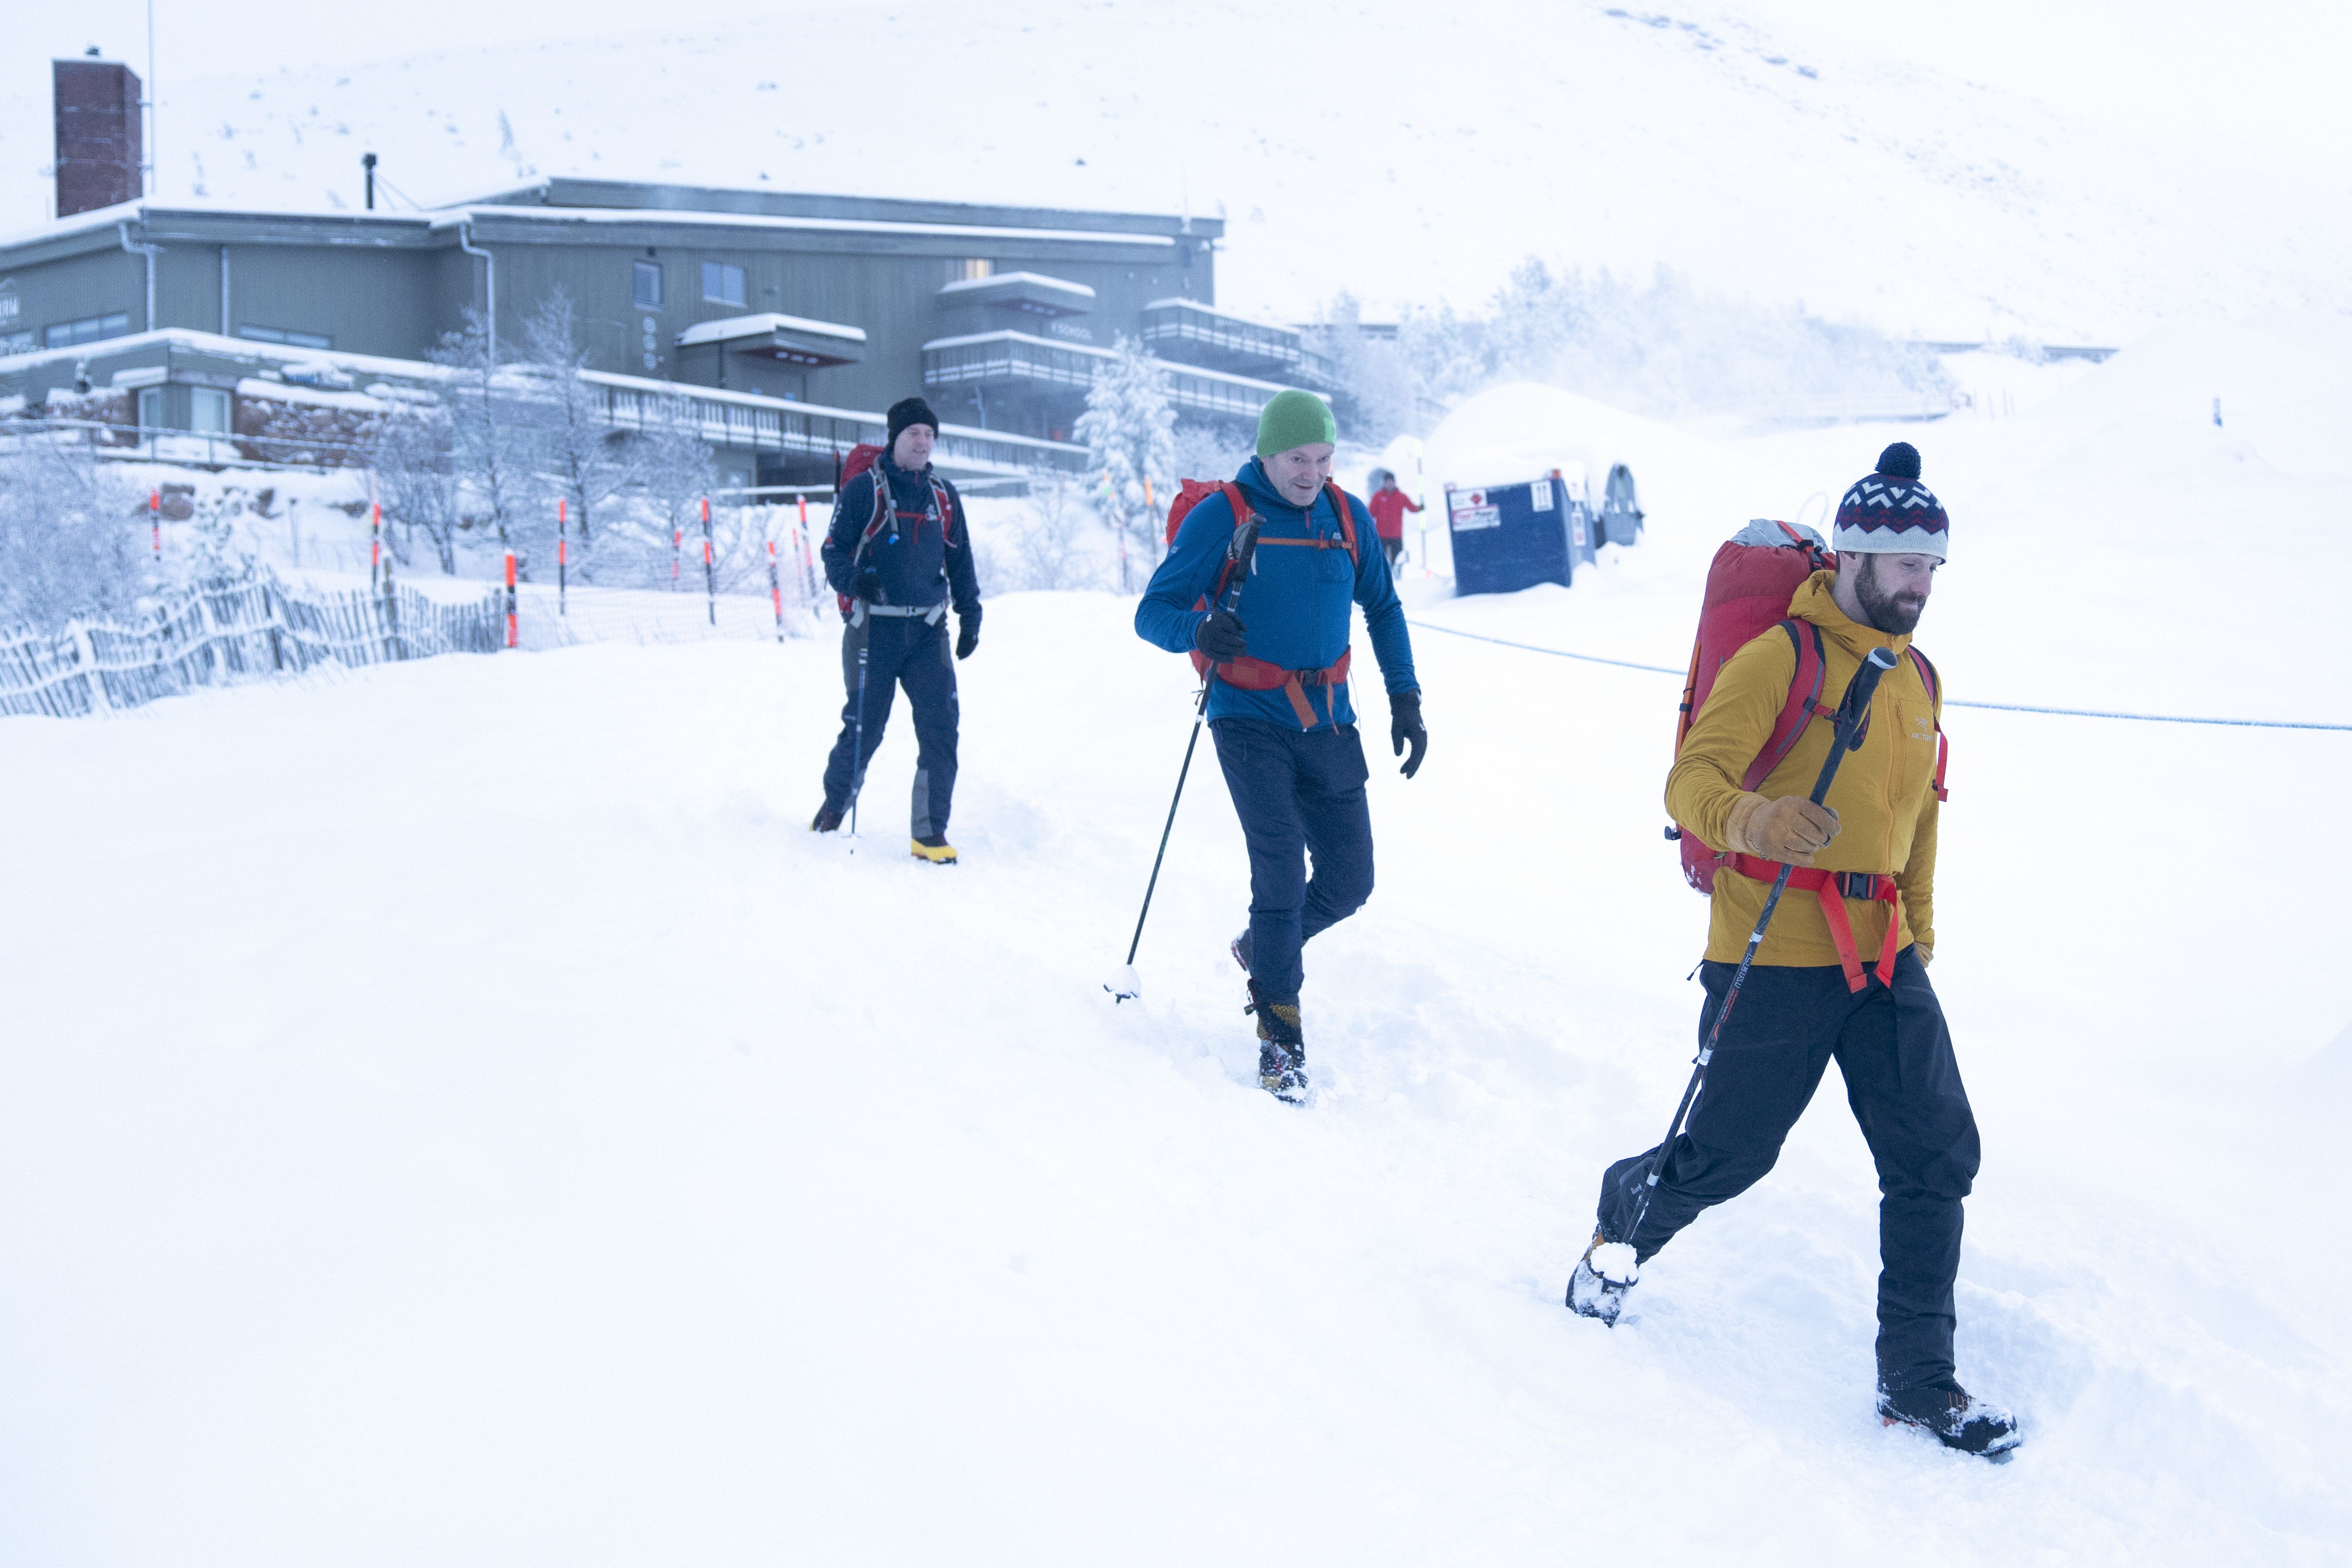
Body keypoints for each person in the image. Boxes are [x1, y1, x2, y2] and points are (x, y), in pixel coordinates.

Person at [1568, 443, 2019, 1459]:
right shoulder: (1780, 656)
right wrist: (1757, 822)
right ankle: (1622, 1221)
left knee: (1936, 1156)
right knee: (1729, 1156)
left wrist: (1919, 930)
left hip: (1880, 956)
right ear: (1853, 557)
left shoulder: (1917, 677)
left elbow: (1919, 817)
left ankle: (1916, 1383)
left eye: (1932, 569)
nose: (1920, 585)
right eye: (1905, 566)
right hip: (1770, 950)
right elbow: (1689, 785)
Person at [1134, 391, 1427, 1102]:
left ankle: (1263, 949)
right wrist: (1198, 631)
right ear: (1269, 452)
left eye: (1325, 458)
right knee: (1279, 874)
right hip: (1247, 717)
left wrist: (1406, 696)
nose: (1313, 471)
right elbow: (1154, 611)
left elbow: (1383, 608)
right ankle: (1281, 1039)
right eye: (1300, 458)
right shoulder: (1225, 516)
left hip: (1329, 719)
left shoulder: (1348, 515)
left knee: (1351, 881)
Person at [810, 397, 982, 863]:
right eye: (914, 434)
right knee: (866, 727)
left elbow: (960, 559)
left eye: (929, 434)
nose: (923, 441)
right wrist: (854, 581)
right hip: (874, 631)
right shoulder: (864, 491)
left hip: (929, 631)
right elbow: (833, 551)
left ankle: (929, 833)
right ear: (895, 437)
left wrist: (971, 614)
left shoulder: (943, 495)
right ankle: (833, 809)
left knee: (941, 730)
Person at [1366, 467, 1422, 569]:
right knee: (1382, 559)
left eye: (1391, 482)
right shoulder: (1378, 497)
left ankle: (1397, 574)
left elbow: (1411, 508)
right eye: (1387, 482)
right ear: (1384, 483)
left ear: (1394, 482)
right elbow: (1371, 514)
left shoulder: (1401, 497)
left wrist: (1420, 508)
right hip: (1382, 535)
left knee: (1397, 559)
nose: (1390, 484)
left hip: (1396, 534)